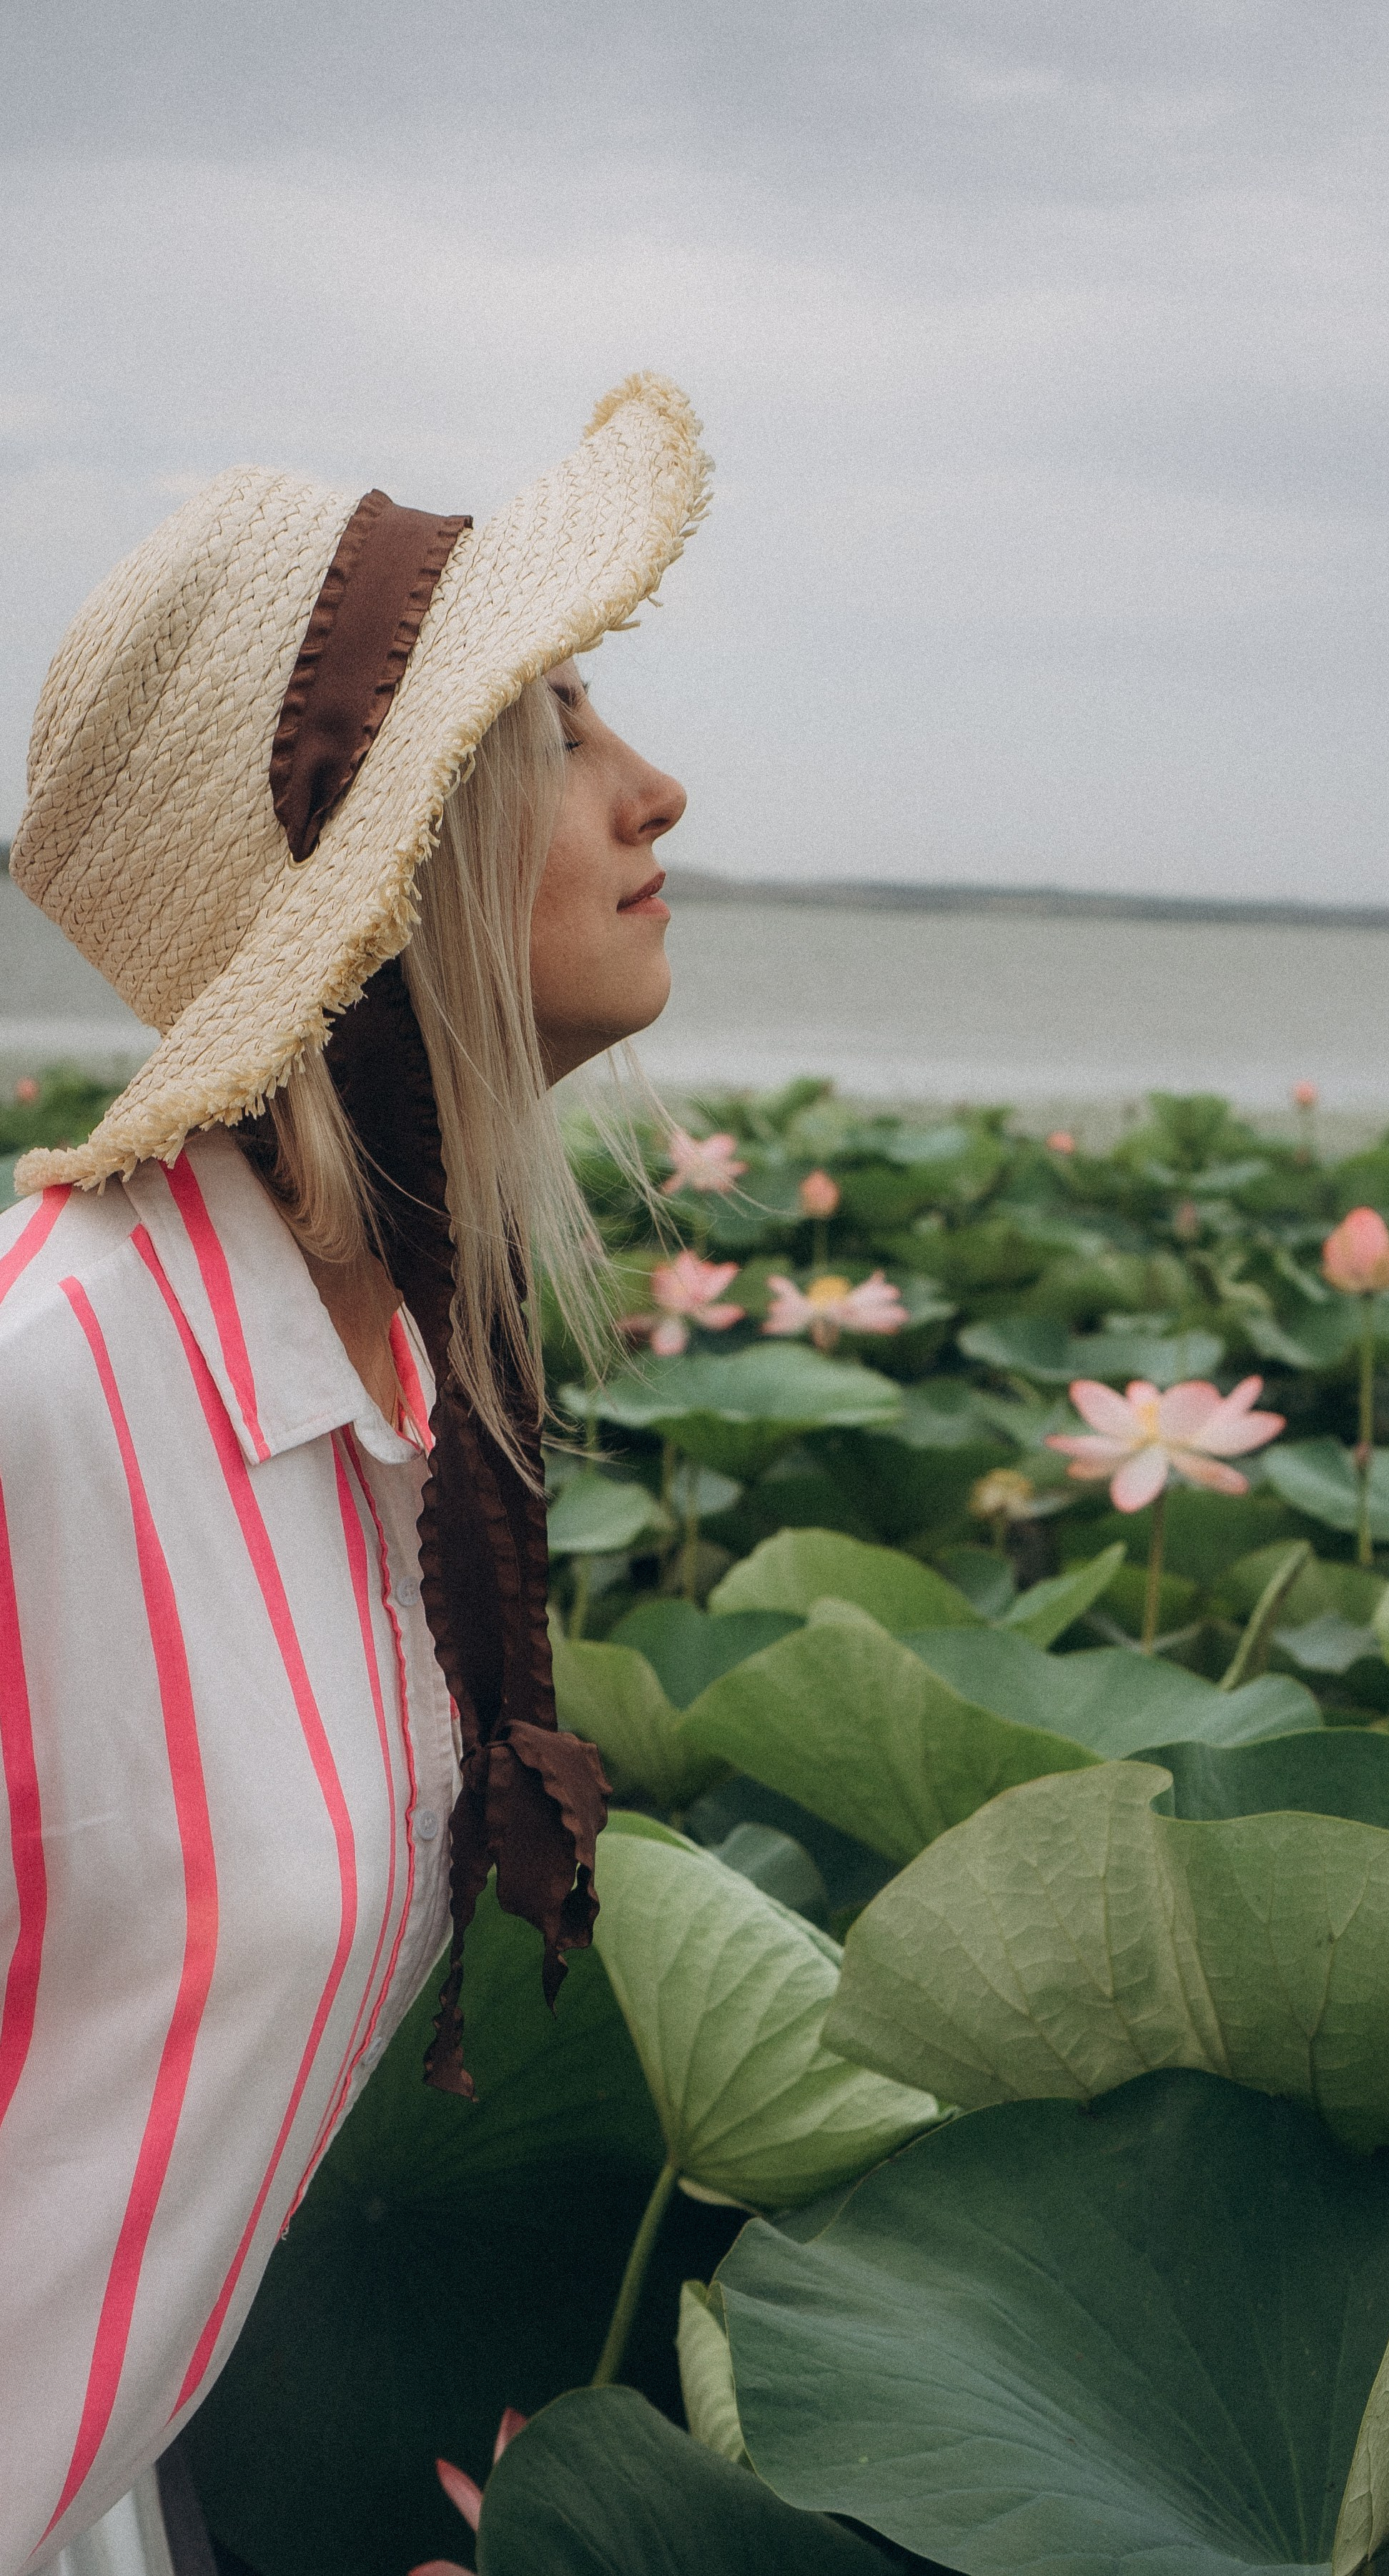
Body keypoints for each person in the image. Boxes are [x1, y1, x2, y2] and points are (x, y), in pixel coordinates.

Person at [0, 372, 707, 2570]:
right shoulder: (40, 1398)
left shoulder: (402, 1393)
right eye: (561, 724)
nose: (655, 790)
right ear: (394, 860)